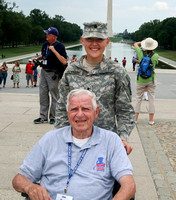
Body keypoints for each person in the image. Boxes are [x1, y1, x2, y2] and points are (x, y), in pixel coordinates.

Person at [12, 89, 136, 200]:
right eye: (74, 109)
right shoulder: (50, 139)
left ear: (96, 112)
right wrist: (30, 187)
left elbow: (129, 185)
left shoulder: (111, 140)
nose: (80, 114)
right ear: (67, 112)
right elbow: (18, 179)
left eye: (86, 109)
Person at [55, 22, 135, 155]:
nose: (94, 44)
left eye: (99, 40)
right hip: (75, 143)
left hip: (106, 143)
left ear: (107, 42)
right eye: (89, 39)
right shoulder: (71, 71)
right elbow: (62, 108)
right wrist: (59, 137)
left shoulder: (117, 72)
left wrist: (122, 138)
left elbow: (125, 110)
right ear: (82, 40)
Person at [33, 27, 67, 125]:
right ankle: (42, 116)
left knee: (54, 95)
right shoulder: (45, 44)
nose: (46, 35)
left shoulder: (60, 46)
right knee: (43, 94)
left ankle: (53, 117)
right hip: (44, 71)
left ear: (53, 36)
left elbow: (64, 61)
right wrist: (37, 58)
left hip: (53, 73)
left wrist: (54, 51)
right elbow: (44, 55)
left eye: (48, 34)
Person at [134, 37, 159, 125]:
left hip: (140, 79)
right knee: (151, 99)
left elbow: (135, 44)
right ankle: (151, 120)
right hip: (151, 79)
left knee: (138, 99)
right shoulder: (156, 56)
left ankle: (135, 119)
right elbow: (155, 65)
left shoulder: (140, 53)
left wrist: (142, 42)